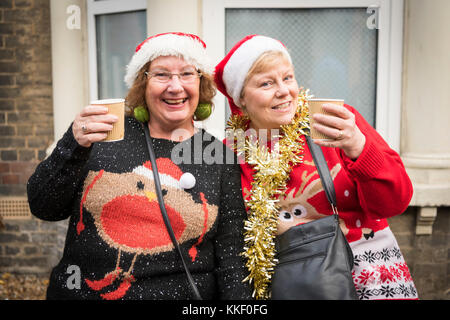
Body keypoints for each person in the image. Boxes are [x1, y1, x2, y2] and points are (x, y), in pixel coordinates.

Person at [27, 32, 252, 300]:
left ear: (201, 84)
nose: (175, 86)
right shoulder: (102, 134)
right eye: (161, 75)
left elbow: (232, 257)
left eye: (187, 74)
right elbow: (44, 206)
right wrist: (72, 144)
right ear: (141, 84)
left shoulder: (218, 156)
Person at [214, 34, 418, 300]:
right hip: (295, 285)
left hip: (368, 273)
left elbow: (395, 202)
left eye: (288, 78)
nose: (284, 91)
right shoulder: (231, 150)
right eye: (266, 83)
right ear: (240, 99)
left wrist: (358, 146)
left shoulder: (330, 120)